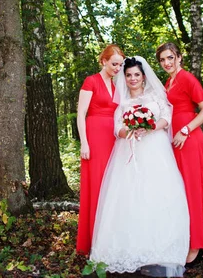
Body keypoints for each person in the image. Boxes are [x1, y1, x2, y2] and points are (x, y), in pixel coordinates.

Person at [90, 56, 189, 277]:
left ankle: (159, 248)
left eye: (136, 74)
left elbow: (167, 116)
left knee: (156, 194)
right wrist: (130, 131)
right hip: (129, 151)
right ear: (124, 78)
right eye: (129, 75)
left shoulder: (155, 95)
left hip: (155, 148)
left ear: (143, 76)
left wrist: (151, 127)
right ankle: (129, 248)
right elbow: (117, 127)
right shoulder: (123, 101)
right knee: (129, 197)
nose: (133, 78)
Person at [156, 42, 203, 268]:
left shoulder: (187, 78)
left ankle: (196, 246)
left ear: (179, 57)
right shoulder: (170, 81)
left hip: (189, 139)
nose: (167, 63)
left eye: (170, 58)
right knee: (189, 190)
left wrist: (186, 130)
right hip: (176, 141)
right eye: (162, 60)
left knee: (194, 189)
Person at [76, 44, 126, 256]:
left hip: (113, 139)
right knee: (97, 186)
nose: (117, 68)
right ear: (103, 61)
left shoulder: (116, 86)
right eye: (114, 63)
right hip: (95, 137)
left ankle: (110, 238)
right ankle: (93, 242)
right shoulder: (91, 81)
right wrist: (84, 142)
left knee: (112, 187)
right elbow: (81, 114)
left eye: (120, 65)